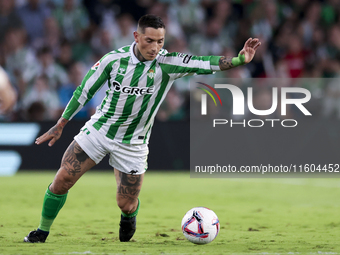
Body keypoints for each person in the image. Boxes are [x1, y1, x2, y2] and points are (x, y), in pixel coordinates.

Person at [24, 14, 261, 243]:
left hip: (134, 142)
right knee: (63, 179)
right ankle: (41, 231)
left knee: (124, 203)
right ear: (136, 36)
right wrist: (61, 124)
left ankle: (129, 214)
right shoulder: (113, 60)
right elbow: (83, 91)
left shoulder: (168, 63)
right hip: (100, 130)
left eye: (160, 41)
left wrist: (239, 60)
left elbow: (204, 63)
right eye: (150, 40)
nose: (155, 47)